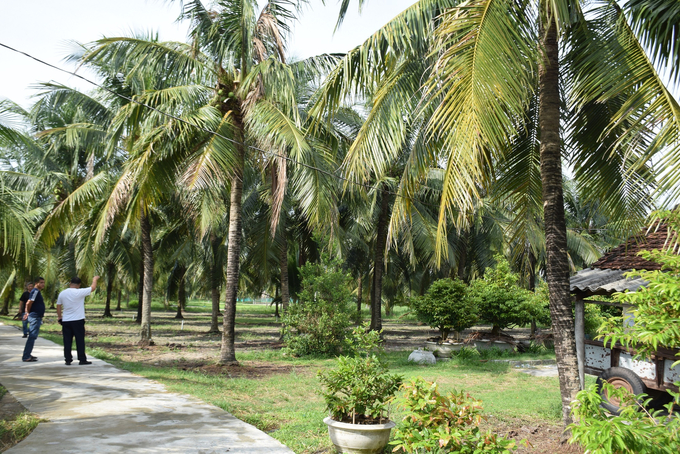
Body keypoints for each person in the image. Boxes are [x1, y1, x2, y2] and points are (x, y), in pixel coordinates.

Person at [56, 276, 99, 366]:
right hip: (78, 320)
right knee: (79, 340)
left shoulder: (62, 293)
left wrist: (59, 317)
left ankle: (68, 359)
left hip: (66, 320)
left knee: (67, 340)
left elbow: (58, 305)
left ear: (70, 283)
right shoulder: (80, 292)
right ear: (79, 285)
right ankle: (82, 359)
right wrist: (94, 279)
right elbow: (93, 288)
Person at [22, 277, 46, 362]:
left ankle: (28, 354)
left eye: (43, 282)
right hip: (35, 317)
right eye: (41, 282)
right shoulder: (35, 291)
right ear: (36, 283)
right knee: (32, 336)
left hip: (37, 316)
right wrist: (27, 312)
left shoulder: (37, 291)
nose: (43, 284)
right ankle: (26, 356)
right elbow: (29, 302)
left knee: (32, 336)